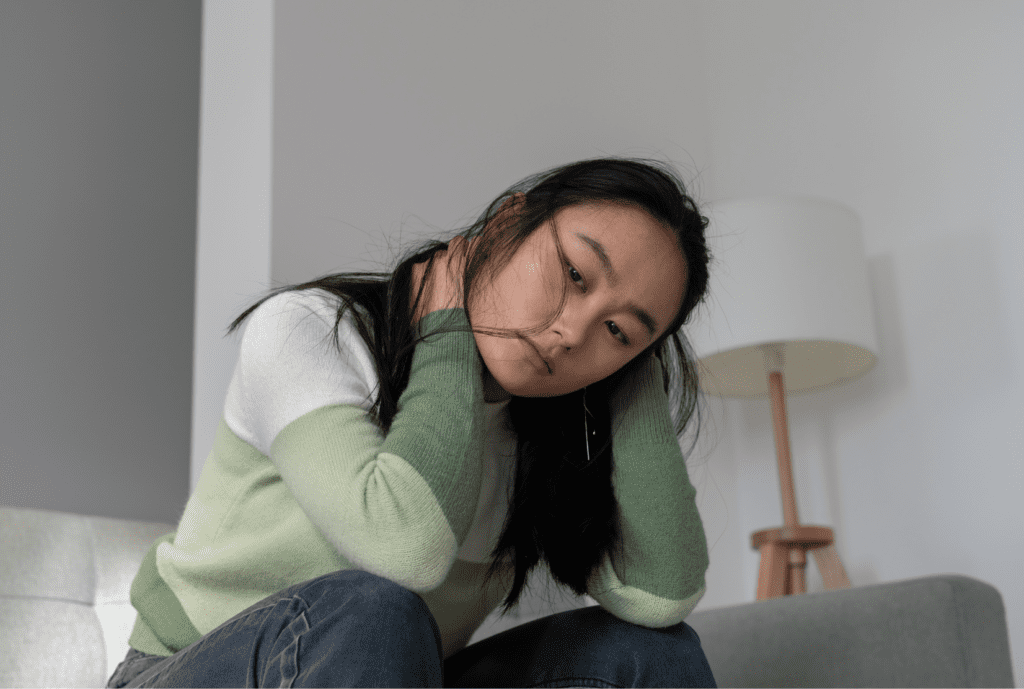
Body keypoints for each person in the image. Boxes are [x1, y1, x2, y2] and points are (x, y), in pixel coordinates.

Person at [107, 157, 718, 687]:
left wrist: (636, 373)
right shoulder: (310, 330)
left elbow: (661, 595)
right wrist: (445, 330)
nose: (570, 333)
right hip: (190, 670)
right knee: (372, 611)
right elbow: (403, 552)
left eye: (616, 330)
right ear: (507, 222)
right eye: (575, 274)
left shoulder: (551, 430)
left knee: (649, 656)